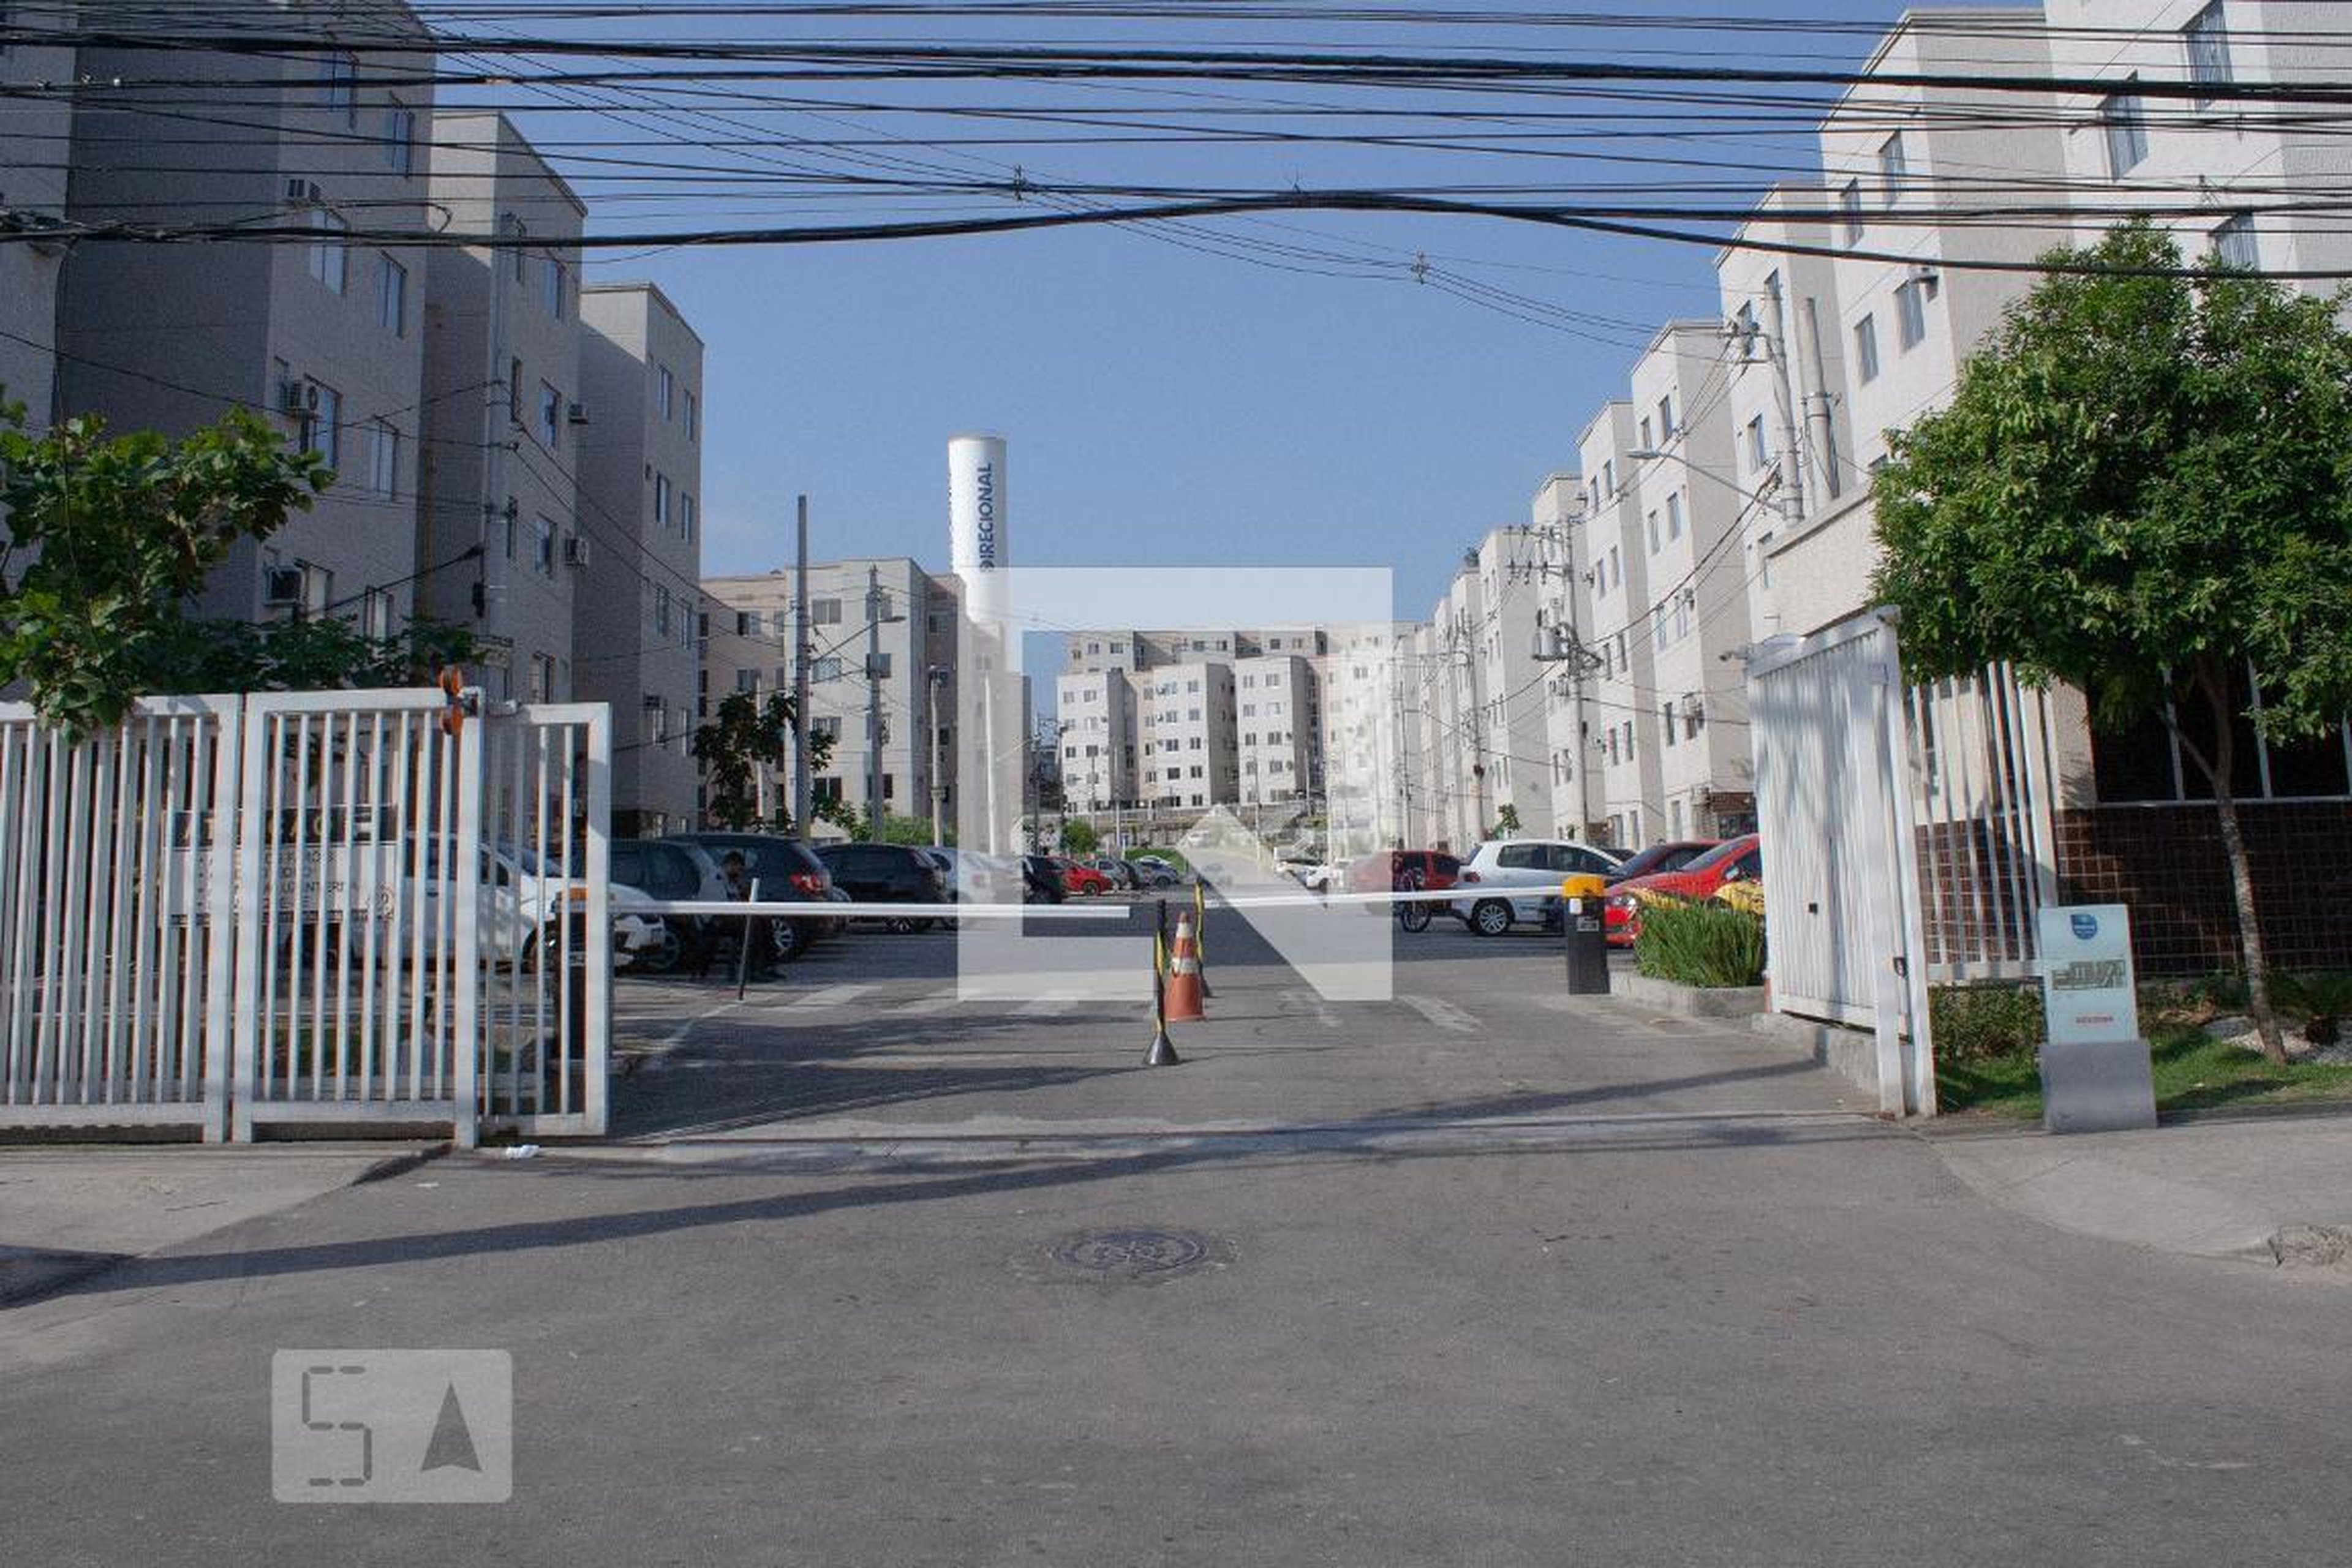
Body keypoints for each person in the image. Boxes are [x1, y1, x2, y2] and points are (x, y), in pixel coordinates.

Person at [719, 850, 776, 981]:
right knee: (754, 927)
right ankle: (753, 969)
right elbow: (721, 904)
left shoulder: (734, 882)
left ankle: (767, 966)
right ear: (729, 865)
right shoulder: (716, 880)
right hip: (718, 920)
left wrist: (744, 890)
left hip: (735, 917)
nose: (739, 873)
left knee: (765, 922)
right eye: (737, 869)